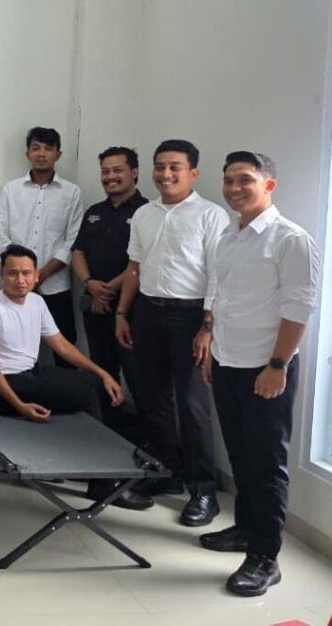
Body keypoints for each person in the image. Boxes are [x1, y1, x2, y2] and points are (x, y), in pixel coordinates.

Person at [200, 152, 319, 596]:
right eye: (228, 180)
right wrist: (212, 347)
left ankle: (265, 558)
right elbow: (221, 296)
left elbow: (298, 308)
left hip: (267, 367)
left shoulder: (291, 239)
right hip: (227, 361)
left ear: (269, 184)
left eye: (245, 180)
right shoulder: (229, 236)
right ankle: (246, 530)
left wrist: (277, 365)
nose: (234, 188)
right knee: (240, 455)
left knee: (266, 464)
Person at [0, 244, 151, 510]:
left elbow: (62, 346)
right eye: (12, 273)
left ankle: (115, 463)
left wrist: (102, 373)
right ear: (2, 275)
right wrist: (20, 406)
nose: (20, 280)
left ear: (36, 276)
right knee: (85, 395)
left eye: (26, 273)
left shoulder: (36, 302)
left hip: (29, 375)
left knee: (96, 385)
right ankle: (102, 484)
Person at [114, 139, 229, 526]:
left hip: (191, 317)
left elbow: (218, 276)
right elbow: (134, 267)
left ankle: (204, 491)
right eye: (160, 166)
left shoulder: (211, 216)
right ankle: (167, 473)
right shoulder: (144, 214)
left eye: (174, 167)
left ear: (192, 173)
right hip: (147, 313)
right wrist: (122, 313)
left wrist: (207, 327)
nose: (165, 174)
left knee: (193, 406)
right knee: (154, 400)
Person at [71, 147, 149, 433]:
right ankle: (107, 432)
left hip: (131, 311)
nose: (110, 177)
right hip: (95, 306)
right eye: (105, 171)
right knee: (101, 370)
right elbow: (78, 251)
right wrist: (90, 283)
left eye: (118, 170)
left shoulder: (147, 212)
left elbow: (141, 261)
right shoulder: (94, 212)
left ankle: (145, 440)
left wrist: (109, 289)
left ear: (134, 173)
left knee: (138, 375)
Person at [0, 127, 83, 367]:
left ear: (58, 154)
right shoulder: (11, 190)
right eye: (36, 148)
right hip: (16, 283)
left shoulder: (72, 193)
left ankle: (66, 390)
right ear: (27, 154)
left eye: (48, 149)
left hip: (56, 284)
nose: (41, 154)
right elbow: (2, 237)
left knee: (64, 347)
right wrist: (22, 275)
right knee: (11, 346)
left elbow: (72, 241)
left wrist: (40, 274)